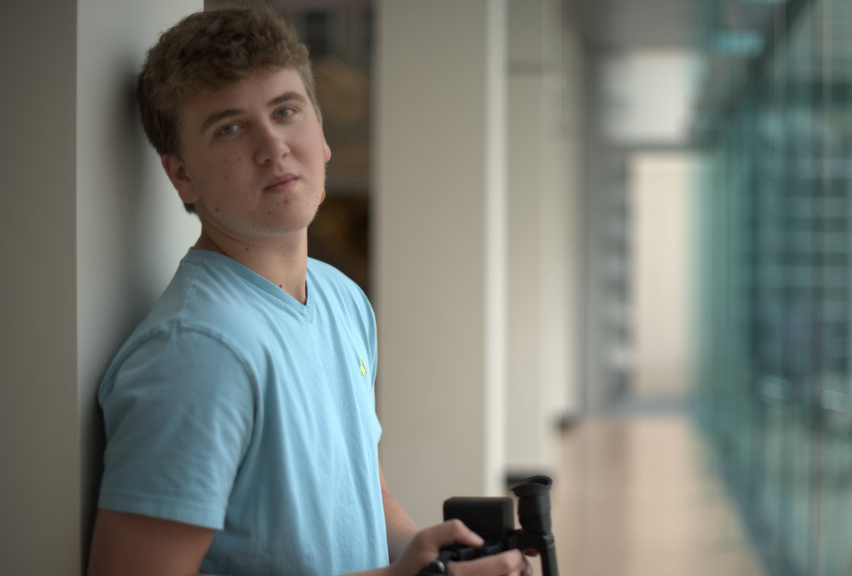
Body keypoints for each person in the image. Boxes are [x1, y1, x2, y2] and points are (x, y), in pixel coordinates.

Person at [86, 6, 530, 576]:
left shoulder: (341, 297)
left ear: (320, 133)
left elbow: (365, 492)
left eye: (285, 111)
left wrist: (428, 555)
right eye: (230, 127)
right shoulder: (196, 350)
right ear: (182, 176)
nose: (273, 147)